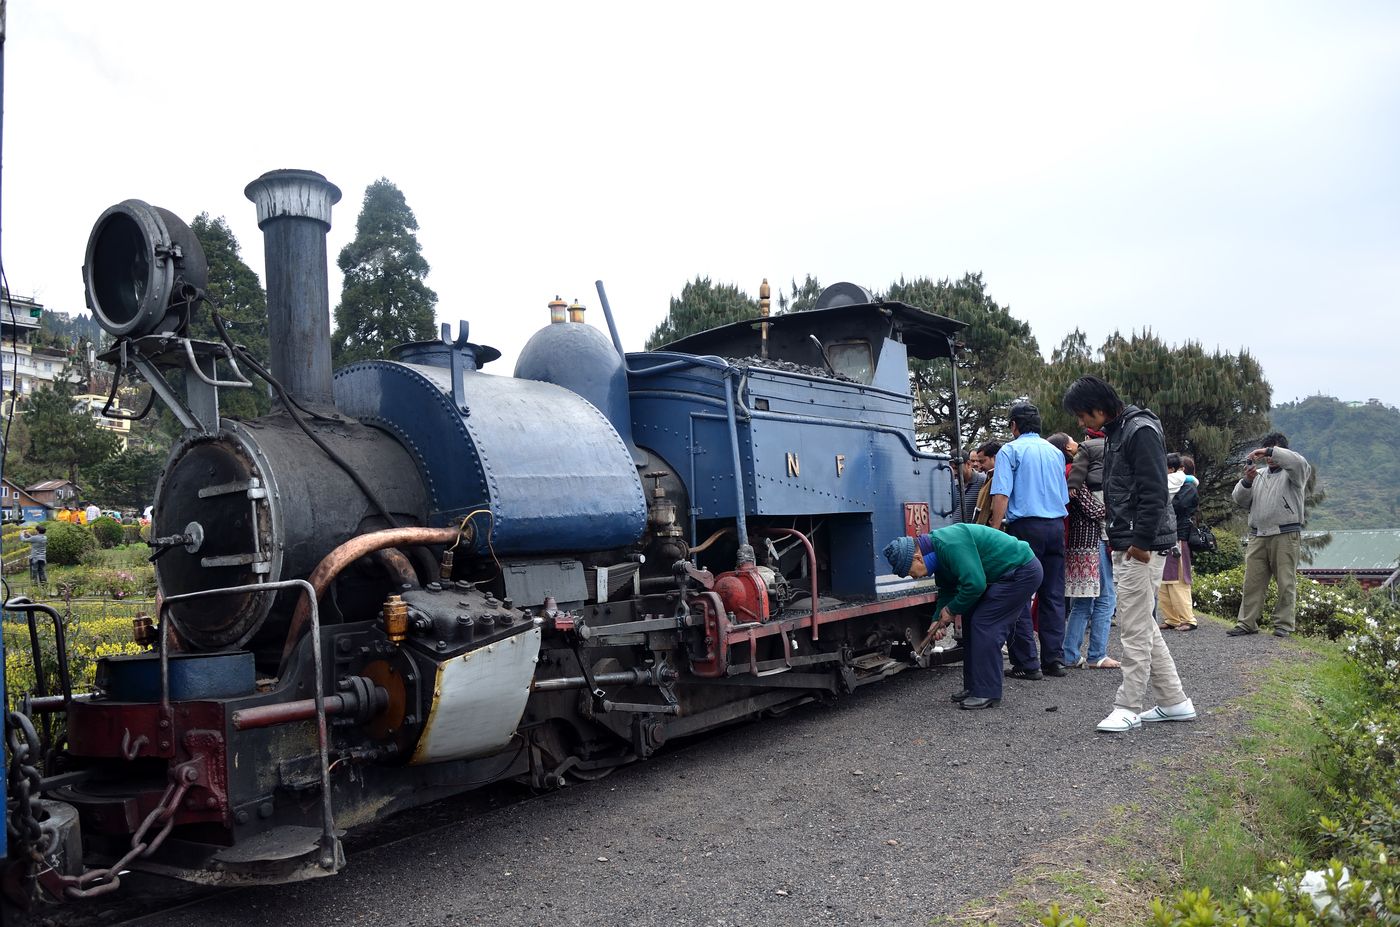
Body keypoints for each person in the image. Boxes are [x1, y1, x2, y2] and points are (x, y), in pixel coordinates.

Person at [1062, 375, 1195, 732]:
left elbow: (1154, 491)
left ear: (1099, 408)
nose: (1080, 423)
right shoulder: (1121, 430)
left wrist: (1140, 542)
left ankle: (1128, 705)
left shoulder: (1139, 430)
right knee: (1144, 624)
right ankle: (1174, 702)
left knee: (1134, 628)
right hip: (1128, 541)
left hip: (1140, 546)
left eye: (1082, 414)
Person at [883, 524, 1042, 710]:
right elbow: (947, 590)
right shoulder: (937, 552)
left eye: (911, 572)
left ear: (918, 558)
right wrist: (937, 620)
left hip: (1021, 571)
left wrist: (950, 611)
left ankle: (987, 692)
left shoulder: (949, 544)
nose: (914, 577)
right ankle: (974, 687)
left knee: (984, 624)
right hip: (1003, 576)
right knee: (970, 621)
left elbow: (975, 584)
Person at [988, 403, 1071, 676]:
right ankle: (1054, 660)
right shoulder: (1055, 452)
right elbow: (1064, 495)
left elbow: (1001, 494)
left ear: (1014, 425)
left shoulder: (1010, 451)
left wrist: (994, 529)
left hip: (1024, 527)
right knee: (1053, 593)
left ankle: (1026, 663)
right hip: (1056, 525)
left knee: (1020, 594)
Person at [1229, 434, 1311, 638]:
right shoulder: (1260, 475)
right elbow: (1239, 499)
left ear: (1283, 452)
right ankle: (1247, 623)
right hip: (1258, 535)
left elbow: (1297, 461)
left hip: (1285, 534)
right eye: (1266, 452)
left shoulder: (1295, 473)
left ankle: (1283, 624)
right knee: (1252, 582)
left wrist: (1268, 450)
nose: (1269, 457)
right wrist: (1247, 481)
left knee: (1285, 581)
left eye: (1273, 452)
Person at [1062, 426, 1118, 669]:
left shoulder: (1072, 477)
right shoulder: (1077, 482)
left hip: (1080, 542)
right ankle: (1097, 654)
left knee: (1083, 601)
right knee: (1106, 598)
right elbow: (1096, 510)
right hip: (1093, 541)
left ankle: (1070, 654)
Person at [1158, 454, 1199, 631]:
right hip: (1165, 536)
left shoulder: (1189, 487)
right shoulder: (1175, 485)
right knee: (1163, 581)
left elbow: (1179, 506)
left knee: (1179, 580)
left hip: (1179, 537)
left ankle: (1188, 619)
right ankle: (1171, 618)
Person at [971, 441, 1001, 526]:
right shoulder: (988, 477)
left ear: (995, 458)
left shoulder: (999, 479)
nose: (979, 466)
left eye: (982, 461)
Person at [954, 452, 986, 524]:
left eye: (956, 468)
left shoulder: (983, 481)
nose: (954, 472)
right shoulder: (952, 485)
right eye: (951, 469)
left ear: (968, 464)